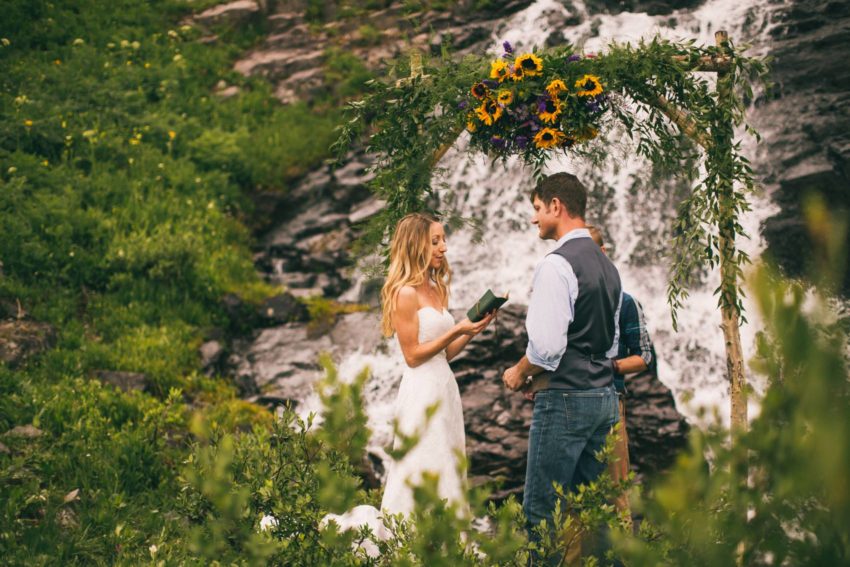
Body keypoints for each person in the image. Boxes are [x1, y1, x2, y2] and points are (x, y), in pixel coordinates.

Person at [323, 212, 495, 544]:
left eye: (443, 239)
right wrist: (457, 327)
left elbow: (446, 352)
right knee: (424, 458)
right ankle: (414, 540)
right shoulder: (405, 293)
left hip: (445, 387)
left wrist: (472, 330)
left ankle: (446, 536)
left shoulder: (436, 287)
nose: (443, 247)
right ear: (416, 245)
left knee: (448, 457)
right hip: (420, 390)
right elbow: (413, 355)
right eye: (435, 241)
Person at [502, 173, 621, 565]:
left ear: (556, 206)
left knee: (541, 513)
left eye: (537, 209)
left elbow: (548, 348)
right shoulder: (607, 266)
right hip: (603, 398)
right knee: (598, 514)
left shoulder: (556, 265)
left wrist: (520, 372)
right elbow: (608, 342)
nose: (534, 219)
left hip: (565, 400)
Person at [587, 225, 655, 531]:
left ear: (603, 254)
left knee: (616, 488)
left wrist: (609, 367)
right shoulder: (566, 302)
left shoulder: (625, 303)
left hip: (610, 400)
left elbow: (644, 357)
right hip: (567, 400)